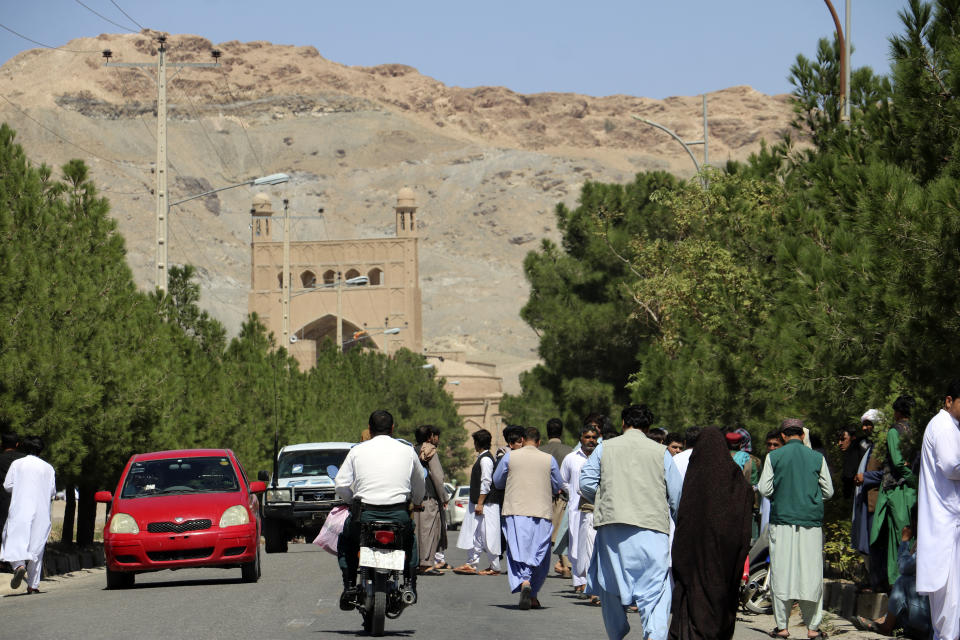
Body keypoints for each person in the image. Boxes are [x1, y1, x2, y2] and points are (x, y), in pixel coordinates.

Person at [580, 405, 683, 640]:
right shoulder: (661, 452)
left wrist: (605, 501)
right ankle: (654, 635)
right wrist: (678, 522)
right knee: (654, 589)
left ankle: (616, 632)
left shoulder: (604, 448)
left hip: (612, 528)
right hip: (652, 529)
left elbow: (585, 481)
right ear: (648, 428)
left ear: (623, 422)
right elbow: (676, 494)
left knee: (611, 583)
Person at [334, 410, 425, 609]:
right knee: (410, 544)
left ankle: (349, 585)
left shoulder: (357, 451)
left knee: (347, 541)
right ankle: (410, 584)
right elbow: (419, 485)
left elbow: (341, 484)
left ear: (369, 428)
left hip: (364, 516)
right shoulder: (407, 450)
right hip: (399, 516)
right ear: (392, 429)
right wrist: (417, 501)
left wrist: (350, 500)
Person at [669, 427, 753, 640]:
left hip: (694, 563)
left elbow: (684, 522)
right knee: (717, 609)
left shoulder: (695, 477)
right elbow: (744, 526)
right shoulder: (736, 480)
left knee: (691, 607)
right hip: (724, 564)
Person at [758, 418, 834, 639]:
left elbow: (764, 488)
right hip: (811, 524)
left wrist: (782, 496)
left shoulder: (774, 456)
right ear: (802, 434)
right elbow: (828, 491)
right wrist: (809, 498)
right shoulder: (817, 457)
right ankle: (812, 628)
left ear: (782, 436)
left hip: (782, 522)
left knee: (782, 573)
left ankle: (782, 627)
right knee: (811, 575)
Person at [492, 426, 562, 609]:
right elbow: (558, 485)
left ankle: (524, 581)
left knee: (517, 551)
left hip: (515, 510)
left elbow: (497, 481)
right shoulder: (549, 459)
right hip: (542, 511)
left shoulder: (510, 456)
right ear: (539, 442)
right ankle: (533, 593)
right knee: (539, 553)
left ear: (522, 440)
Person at [917, 380, 960, 640]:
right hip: (947, 524)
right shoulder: (944, 427)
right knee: (951, 605)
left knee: (949, 606)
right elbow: (951, 466)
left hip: (947, 522)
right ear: (948, 401)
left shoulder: (948, 426)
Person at [855, 521, 931, 640]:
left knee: (903, 581)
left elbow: (904, 567)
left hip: (930, 620)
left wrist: (905, 541)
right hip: (928, 614)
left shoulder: (931, 540)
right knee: (908, 585)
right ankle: (887, 621)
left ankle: (886, 625)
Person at [871, 395, 918, 586]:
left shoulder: (894, 431)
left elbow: (898, 462)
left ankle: (897, 584)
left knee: (899, 537)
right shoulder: (919, 430)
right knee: (909, 534)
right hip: (911, 489)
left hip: (899, 490)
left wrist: (913, 478)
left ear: (897, 413)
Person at [1, 436, 56, 594]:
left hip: (20, 507)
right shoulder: (48, 468)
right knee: (36, 548)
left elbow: (7, 486)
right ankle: (33, 585)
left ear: (24, 448)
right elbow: (52, 491)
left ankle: (18, 565)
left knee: (10, 538)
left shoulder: (17, 464)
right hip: (41, 511)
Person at [454, 428, 503, 575]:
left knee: (489, 535)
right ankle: (472, 563)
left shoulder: (486, 459)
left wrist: (480, 503)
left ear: (477, 443)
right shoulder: (483, 457)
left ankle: (494, 567)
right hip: (481, 504)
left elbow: (486, 482)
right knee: (477, 535)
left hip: (487, 505)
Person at [560, 422, 600, 596]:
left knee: (591, 545)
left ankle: (591, 582)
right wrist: (573, 491)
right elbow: (562, 481)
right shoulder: (571, 458)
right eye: (587, 437)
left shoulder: (601, 456)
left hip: (595, 508)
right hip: (576, 508)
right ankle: (579, 581)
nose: (591, 440)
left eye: (593, 437)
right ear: (581, 439)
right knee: (576, 544)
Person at [853, 408, 887, 592]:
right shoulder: (871, 446)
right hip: (868, 501)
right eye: (864, 425)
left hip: (878, 502)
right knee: (870, 546)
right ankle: (874, 582)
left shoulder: (884, 446)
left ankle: (880, 584)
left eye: (869, 424)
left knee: (877, 545)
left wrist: (866, 477)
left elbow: (889, 473)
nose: (865, 428)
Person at [413, 425, 449, 575]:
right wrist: (444, 497)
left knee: (416, 531)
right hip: (429, 497)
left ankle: (415, 562)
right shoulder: (430, 451)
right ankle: (426, 564)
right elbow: (438, 477)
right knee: (429, 531)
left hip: (414, 498)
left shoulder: (411, 450)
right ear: (429, 437)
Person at [540, 417, 573, 577]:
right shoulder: (569, 451)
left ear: (547, 432)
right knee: (560, 532)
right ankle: (567, 566)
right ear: (562, 431)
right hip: (562, 498)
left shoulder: (540, 451)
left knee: (541, 533)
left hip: (541, 498)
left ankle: (538, 567)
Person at [0, 431, 25, 549]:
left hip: (2, 500)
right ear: (17, 444)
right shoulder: (24, 460)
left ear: (2, 444)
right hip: (21, 500)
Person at [759, 430, 784, 533]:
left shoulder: (784, 461)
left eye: (775, 445)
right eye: (769, 444)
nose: (771, 448)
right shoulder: (768, 459)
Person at [837, 426, 862, 499]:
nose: (840, 443)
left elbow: (848, 475)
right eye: (838, 440)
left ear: (853, 438)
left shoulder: (853, 451)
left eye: (843, 439)